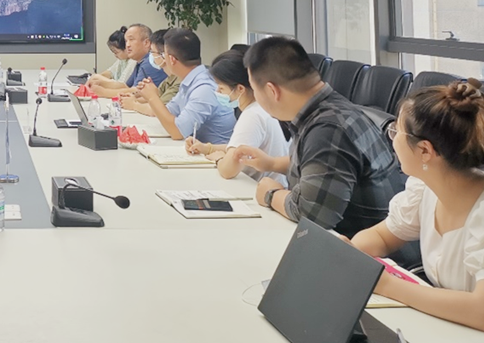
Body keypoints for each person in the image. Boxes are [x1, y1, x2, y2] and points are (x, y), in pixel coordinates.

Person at [350, 80, 484, 331]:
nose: (393, 140)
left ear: (425, 150)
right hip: (452, 327)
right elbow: (381, 237)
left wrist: (388, 285)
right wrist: (351, 252)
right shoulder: (426, 188)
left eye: (396, 131)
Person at [232, 36, 404, 237]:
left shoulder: (327, 129)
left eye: (255, 90)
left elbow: (312, 214)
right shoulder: (331, 108)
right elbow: (322, 164)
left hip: (364, 251)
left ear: (272, 91)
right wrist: (272, 164)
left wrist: (271, 194)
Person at [184, 49, 288, 185]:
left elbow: (228, 171)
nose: (217, 92)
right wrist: (208, 148)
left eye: (221, 88)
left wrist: (219, 159)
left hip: (257, 189)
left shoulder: (252, 116)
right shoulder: (261, 108)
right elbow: (239, 148)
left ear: (240, 89)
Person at [134, 29, 236, 143]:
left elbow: (178, 132)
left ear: (171, 59)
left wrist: (152, 97)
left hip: (213, 152)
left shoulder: (204, 89)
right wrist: (150, 96)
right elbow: (169, 112)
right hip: (195, 148)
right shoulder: (190, 80)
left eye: (164, 55)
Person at [86, 23, 167, 97]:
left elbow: (137, 92)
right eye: (126, 41)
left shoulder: (151, 61)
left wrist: (103, 92)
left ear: (146, 43)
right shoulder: (140, 61)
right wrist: (101, 83)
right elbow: (126, 86)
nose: (127, 45)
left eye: (131, 40)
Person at [121, 29, 181, 114]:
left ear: (163, 55)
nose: (151, 56)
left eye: (152, 52)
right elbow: (157, 98)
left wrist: (134, 105)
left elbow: (160, 111)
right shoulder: (170, 78)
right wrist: (133, 99)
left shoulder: (180, 81)